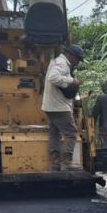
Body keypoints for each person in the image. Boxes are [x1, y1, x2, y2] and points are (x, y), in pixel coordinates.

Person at [42, 43, 84, 171]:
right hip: (59, 106)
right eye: (77, 59)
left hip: (50, 105)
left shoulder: (56, 61)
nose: (77, 62)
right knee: (71, 133)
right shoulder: (62, 63)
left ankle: (55, 162)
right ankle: (66, 163)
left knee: (54, 133)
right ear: (71, 55)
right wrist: (72, 81)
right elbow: (53, 77)